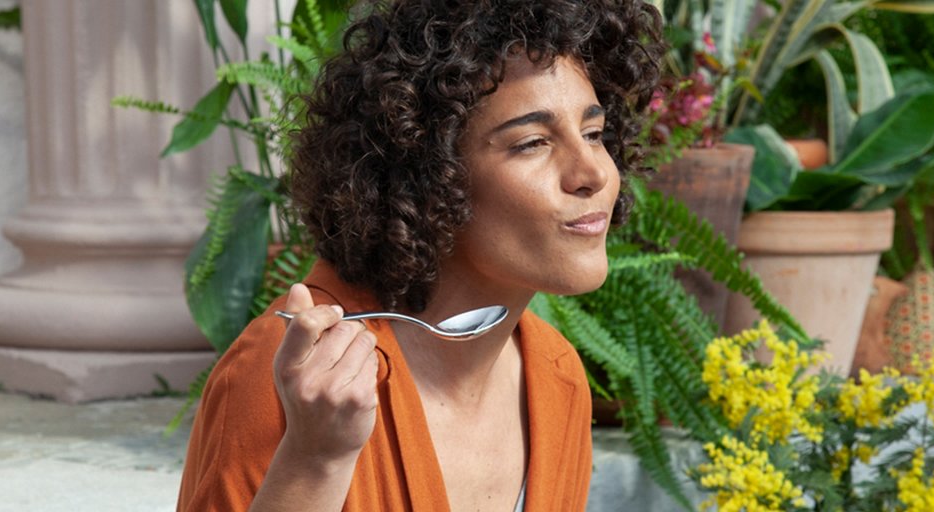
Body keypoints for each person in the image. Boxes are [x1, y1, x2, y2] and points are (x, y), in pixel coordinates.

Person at [176, 0, 662, 510]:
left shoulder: (555, 375)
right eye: (532, 143)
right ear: (427, 174)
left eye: (593, 133)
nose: (594, 174)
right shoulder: (294, 375)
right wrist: (315, 459)